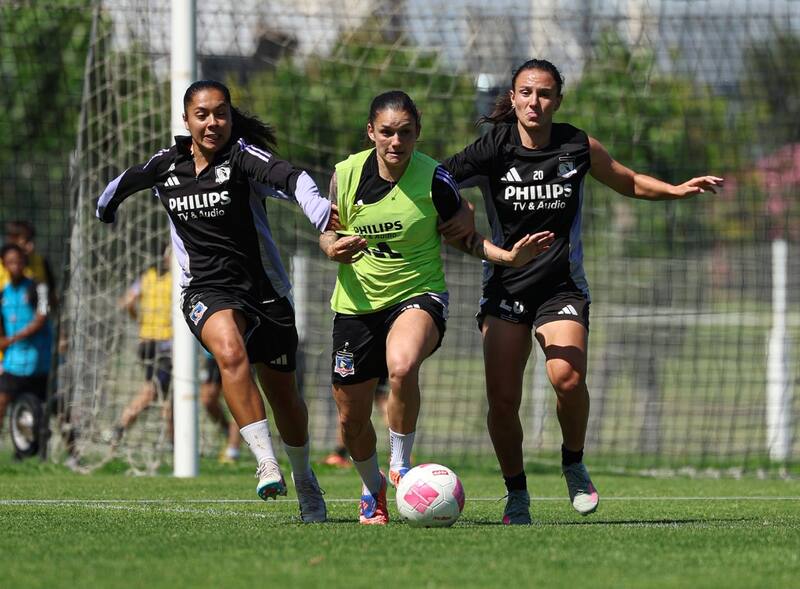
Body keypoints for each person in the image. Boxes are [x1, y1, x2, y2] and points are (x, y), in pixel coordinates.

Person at [442, 58, 724, 524]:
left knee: (567, 379)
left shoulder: (576, 145)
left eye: (545, 93)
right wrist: (464, 212)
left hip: (561, 285)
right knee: (503, 401)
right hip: (506, 285)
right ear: (512, 98)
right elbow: (438, 182)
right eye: (526, 92)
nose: (535, 101)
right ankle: (517, 493)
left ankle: (573, 461)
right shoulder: (492, 147)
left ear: (558, 99)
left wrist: (677, 190)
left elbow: (627, 179)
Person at [96, 79, 337, 523]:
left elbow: (294, 177)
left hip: (266, 293)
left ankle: (305, 480)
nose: (212, 122)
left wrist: (323, 216)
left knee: (285, 398)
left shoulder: (244, 158)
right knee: (228, 350)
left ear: (230, 116)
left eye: (220, 113)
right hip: (204, 290)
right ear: (186, 121)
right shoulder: (166, 166)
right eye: (202, 115)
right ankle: (265, 461)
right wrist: (105, 209)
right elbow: (118, 186)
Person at [319, 90, 553, 524]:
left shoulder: (434, 179)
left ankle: (401, 464)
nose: (396, 142)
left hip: (418, 294)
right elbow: (327, 233)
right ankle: (373, 491)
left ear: (417, 134)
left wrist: (507, 256)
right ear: (371, 132)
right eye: (386, 132)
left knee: (402, 366)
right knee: (351, 418)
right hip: (355, 303)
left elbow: (463, 237)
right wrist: (334, 248)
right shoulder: (346, 175)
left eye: (405, 133)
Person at [110, 247, 174, 445]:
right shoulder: (175, 280)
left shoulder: (147, 277)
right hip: (165, 346)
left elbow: (127, 301)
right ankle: (120, 426)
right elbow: (128, 302)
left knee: (166, 397)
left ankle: (176, 446)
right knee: (154, 393)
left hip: (146, 343)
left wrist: (140, 320)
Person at [0, 244, 53, 448]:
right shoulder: (3, 294)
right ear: (4, 264)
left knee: (58, 408)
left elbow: (41, 319)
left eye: (20, 261)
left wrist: (12, 339)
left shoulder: (38, 288)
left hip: (40, 360)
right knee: (2, 402)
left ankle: (74, 456)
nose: (16, 265)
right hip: (14, 362)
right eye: (11, 262)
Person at [200, 349, 241, 463]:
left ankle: (233, 451)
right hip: (213, 355)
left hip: (240, 354)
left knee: (238, 402)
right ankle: (228, 431)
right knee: (208, 399)